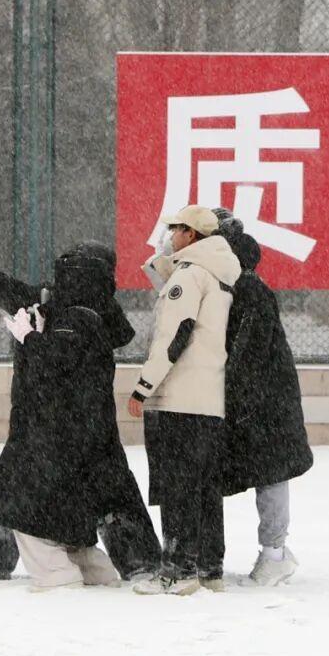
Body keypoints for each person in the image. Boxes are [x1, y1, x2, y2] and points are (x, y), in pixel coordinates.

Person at [0, 241, 160, 582]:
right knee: (13, 483)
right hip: (40, 418)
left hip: (76, 421)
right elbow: (3, 287)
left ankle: (140, 563)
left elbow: (61, 360)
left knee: (106, 489)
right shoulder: (49, 303)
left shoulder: (92, 315)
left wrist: (34, 337)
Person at [0, 250, 124, 590]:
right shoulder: (95, 315)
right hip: (81, 431)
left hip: (61, 431)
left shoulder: (74, 319)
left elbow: (56, 361)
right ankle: (94, 569)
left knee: (19, 504)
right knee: (68, 507)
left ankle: (55, 574)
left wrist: (30, 338)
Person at [126, 205, 241, 595]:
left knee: (178, 489)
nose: (170, 236)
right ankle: (209, 568)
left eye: (175, 229)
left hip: (179, 398)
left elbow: (174, 335)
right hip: (208, 400)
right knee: (205, 488)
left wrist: (144, 386)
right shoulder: (218, 272)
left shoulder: (190, 276)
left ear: (191, 234)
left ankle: (177, 572)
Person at [217, 224, 314, 587]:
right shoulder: (245, 288)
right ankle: (274, 552)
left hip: (263, 403)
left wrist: (233, 391)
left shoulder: (247, 291)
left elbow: (246, 351)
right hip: (264, 400)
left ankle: (274, 554)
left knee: (270, 474)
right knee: (269, 473)